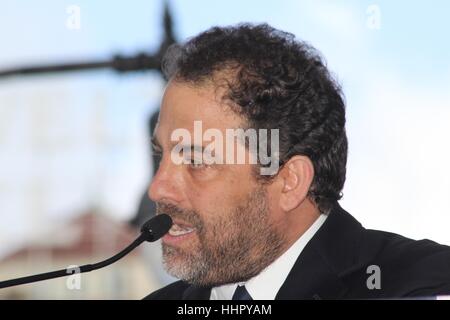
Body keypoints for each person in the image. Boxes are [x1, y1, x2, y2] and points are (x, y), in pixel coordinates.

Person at [143, 23, 450, 300]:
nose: (157, 189)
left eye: (197, 161)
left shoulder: (422, 283)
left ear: (290, 182)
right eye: (162, 155)